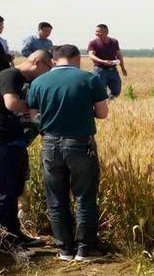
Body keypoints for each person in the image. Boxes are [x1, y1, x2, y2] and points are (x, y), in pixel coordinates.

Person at [27, 44, 109, 262]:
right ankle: (85, 249)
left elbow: (33, 115)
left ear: (54, 60)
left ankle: (64, 249)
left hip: (50, 144)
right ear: (77, 59)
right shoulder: (90, 79)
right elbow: (102, 113)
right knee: (84, 196)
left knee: (56, 198)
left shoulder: (38, 82)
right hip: (80, 144)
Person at [0, 50, 52, 248]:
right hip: (1, 144)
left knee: (14, 190)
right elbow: (11, 103)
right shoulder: (10, 75)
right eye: (48, 69)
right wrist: (36, 109)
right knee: (3, 193)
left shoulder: (23, 80)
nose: (47, 74)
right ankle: (5, 241)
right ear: (38, 62)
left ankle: (15, 235)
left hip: (15, 143)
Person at [87, 24, 127, 99]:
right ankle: (103, 103)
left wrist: (122, 68)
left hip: (113, 70)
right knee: (100, 91)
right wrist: (103, 61)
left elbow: (119, 55)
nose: (97, 33)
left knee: (116, 90)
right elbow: (91, 55)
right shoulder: (93, 43)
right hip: (100, 71)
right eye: (96, 31)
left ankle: (109, 102)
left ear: (107, 32)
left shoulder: (114, 42)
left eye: (100, 32)